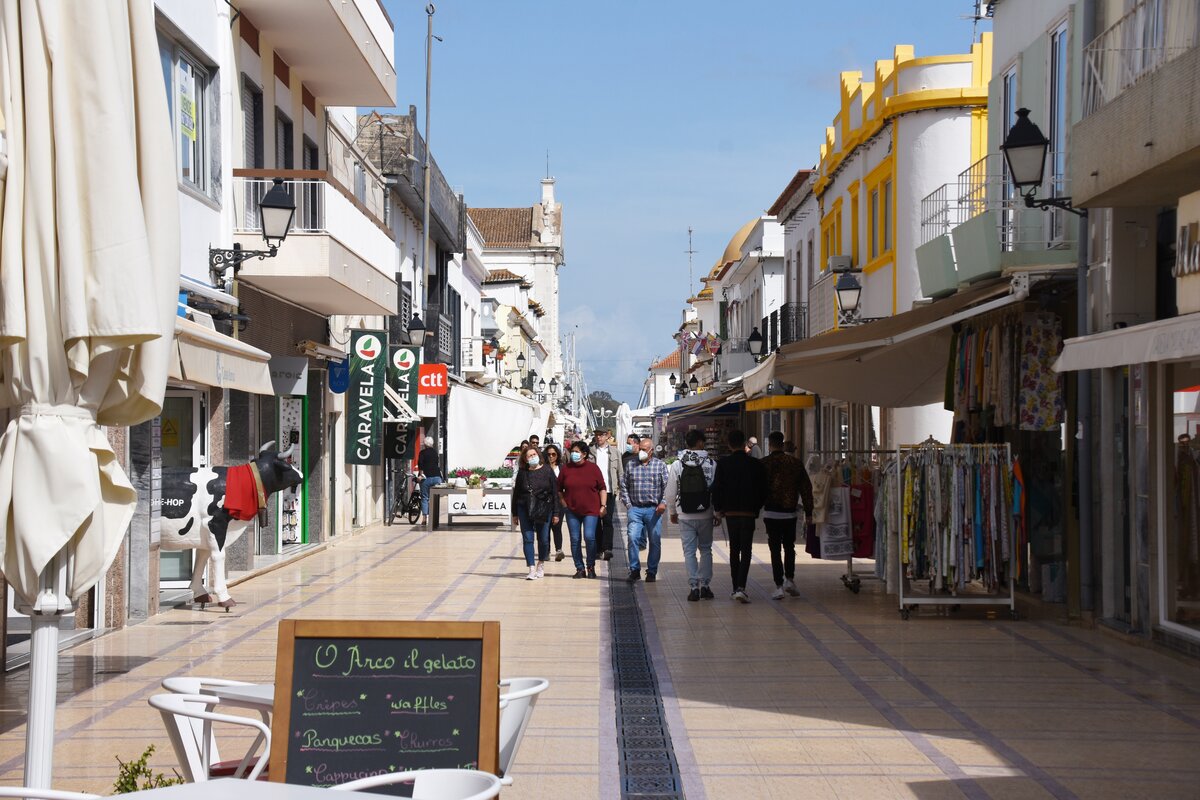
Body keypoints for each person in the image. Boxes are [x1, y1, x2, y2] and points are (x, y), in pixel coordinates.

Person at [711, 430, 767, 602]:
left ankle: (735, 587)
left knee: (734, 550)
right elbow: (763, 488)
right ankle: (741, 586)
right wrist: (756, 508)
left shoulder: (723, 464)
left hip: (731, 513)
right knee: (747, 550)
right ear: (744, 444)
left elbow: (717, 488)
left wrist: (719, 509)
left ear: (729, 444)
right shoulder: (755, 464)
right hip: (748, 512)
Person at [664, 428, 717, 601]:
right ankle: (706, 586)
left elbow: (670, 492)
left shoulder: (677, 464)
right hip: (706, 513)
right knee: (706, 550)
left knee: (689, 552)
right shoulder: (711, 463)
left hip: (684, 514)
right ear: (701, 443)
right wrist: (717, 512)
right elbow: (717, 490)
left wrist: (672, 511)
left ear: (687, 444)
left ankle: (694, 587)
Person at [761, 430, 814, 599]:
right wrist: (809, 512)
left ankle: (778, 585)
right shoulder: (795, 463)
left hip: (770, 513)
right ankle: (789, 579)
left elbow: (756, 489)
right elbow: (806, 489)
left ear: (769, 444)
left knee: (774, 549)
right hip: (789, 513)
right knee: (789, 547)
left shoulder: (763, 464)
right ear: (783, 444)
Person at [620, 437, 669, 583]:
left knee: (655, 541)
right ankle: (634, 569)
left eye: (644, 449)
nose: (640, 451)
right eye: (639, 448)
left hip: (654, 510)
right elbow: (624, 485)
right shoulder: (631, 465)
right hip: (635, 509)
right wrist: (629, 505)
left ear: (651, 450)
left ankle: (652, 571)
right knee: (633, 538)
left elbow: (667, 486)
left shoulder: (660, 465)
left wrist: (663, 502)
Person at [557, 441, 607, 579]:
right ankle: (579, 568)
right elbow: (559, 489)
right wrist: (563, 503)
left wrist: (603, 505)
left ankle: (590, 566)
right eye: (572, 451)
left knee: (589, 537)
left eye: (577, 451)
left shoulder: (593, 469)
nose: (574, 454)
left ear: (584, 454)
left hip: (591, 509)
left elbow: (602, 487)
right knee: (575, 539)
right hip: (572, 510)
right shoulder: (566, 469)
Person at [511, 444, 559, 580]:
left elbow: (555, 492)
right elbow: (516, 494)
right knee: (528, 539)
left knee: (543, 539)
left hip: (544, 508)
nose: (532, 457)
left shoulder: (548, 471)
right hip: (524, 508)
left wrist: (556, 513)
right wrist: (515, 513)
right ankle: (531, 568)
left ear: (538, 455)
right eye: (529, 456)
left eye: (534, 454)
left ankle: (541, 564)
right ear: (525, 459)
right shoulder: (522, 473)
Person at [591, 429, 623, 561]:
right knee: (596, 520)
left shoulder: (615, 452)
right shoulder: (591, 451)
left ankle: (607, 548)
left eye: (601, 435)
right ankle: (598, 549)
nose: (599, 437)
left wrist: (621, 489)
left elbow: (620, 472)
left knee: (608, 520)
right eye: (597, 435)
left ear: (607, 436)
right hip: (594, 491)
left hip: (610, 490)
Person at [543, 444, 566, 561]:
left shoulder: (562, 468)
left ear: (557, 455)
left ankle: (558, 550)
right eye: (549, 454)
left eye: (553, 454)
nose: (551, 456)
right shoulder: (542, 467)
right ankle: (546, 551)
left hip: (559, 502)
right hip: (545, 502)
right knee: (545, 527)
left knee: (557, 526)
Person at [417, 435, 443, 526]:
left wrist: (420, 475)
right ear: (432, 444)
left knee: (425, 498)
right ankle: (434, 520)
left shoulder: (422, 453)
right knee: (435, 499)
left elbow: (420, 464)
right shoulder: (435, 453)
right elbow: (436, 464)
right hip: (437, 477)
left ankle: (424, 519)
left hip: (426, 478)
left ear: (424, 444)